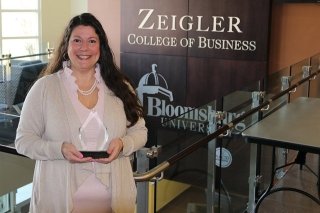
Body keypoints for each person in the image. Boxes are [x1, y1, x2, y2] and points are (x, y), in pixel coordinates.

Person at [15, 13, 148, 213]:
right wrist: (59, 149)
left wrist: (123, 144)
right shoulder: (44, 88)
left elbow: (140, 132)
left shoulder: (121, 87)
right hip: (57, 202)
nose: (84, 48)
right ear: (66, 46)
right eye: (77, 40)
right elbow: (23, 141)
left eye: (91, 41)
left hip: (115, 204)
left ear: (100, 47)